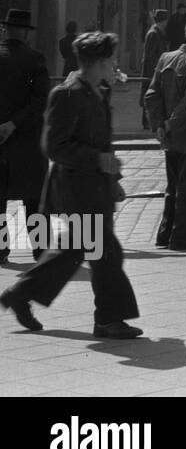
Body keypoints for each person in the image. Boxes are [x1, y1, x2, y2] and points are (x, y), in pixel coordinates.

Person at [0, 31, 142, 338]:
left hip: (94, 187)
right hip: (76, 189)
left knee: (74, 248)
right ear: (100, 61)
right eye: (111, 58)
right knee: (105, 252)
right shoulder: (67, 93)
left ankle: (20, 294)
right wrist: (98, 162)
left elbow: (102, 141)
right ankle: (108, 318)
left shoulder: (98, 90)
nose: (115, 63)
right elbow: (55, 146)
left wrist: (112, 177)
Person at [144, 18, 186, 251]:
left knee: (172, 188)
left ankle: (165, 235)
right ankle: (184, 239)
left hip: (170, 138)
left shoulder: (166, 58)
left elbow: (151, 95)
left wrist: (159, 125)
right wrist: (172, 123)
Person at [0, 9, 51, 263]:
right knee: (33, 200)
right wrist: (14, 123)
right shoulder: (35, 59)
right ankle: (40, 249)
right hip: (27, 140)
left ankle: (0, 251)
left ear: (6, 30)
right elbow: (41, 100)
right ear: (25, 33)